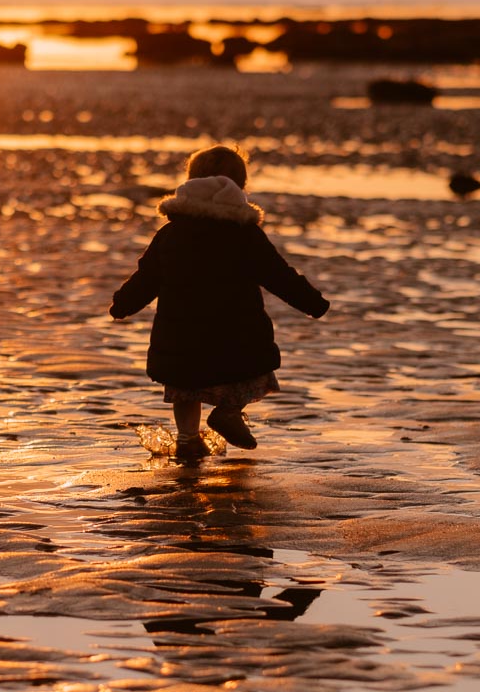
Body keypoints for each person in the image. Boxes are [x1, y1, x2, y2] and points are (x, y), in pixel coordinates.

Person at [110, 145, 329, 461]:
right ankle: (228, 411)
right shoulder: (243, 234)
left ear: (190, 182)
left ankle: (186, 439)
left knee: (185, 386)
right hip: (237, 335)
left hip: (180, 337)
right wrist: (313, 303)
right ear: (239, 187)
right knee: (251, 370)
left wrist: (122, 304)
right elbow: (279, 275)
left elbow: (146, 279)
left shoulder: (171, 234)